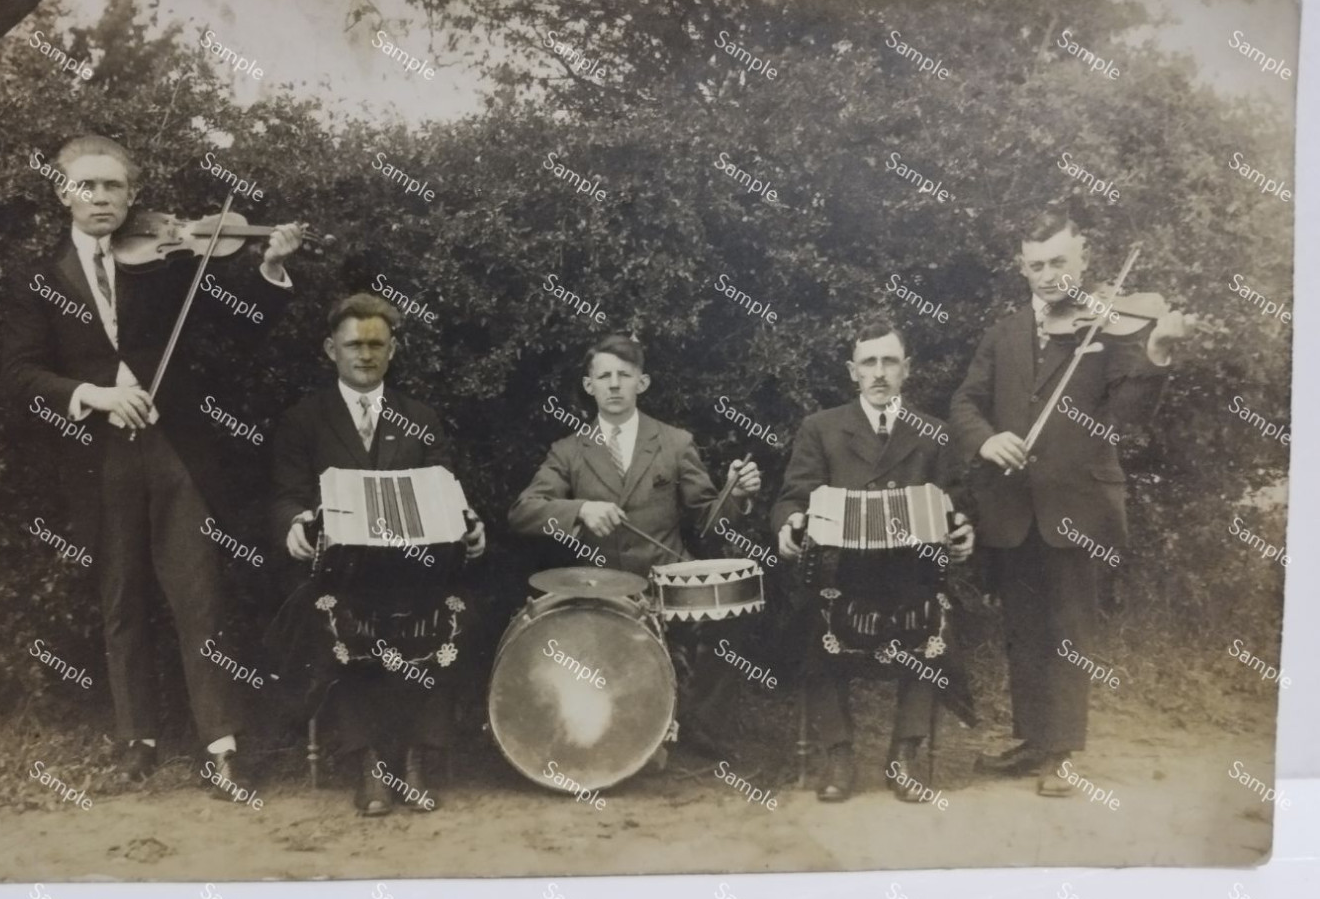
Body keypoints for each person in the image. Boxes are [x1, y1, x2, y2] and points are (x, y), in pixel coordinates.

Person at [1, 134, 303, 796]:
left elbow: (242, 324)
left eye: (113, 186)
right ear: (63, 193)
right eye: (88, 185)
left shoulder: (167, 264)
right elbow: (21, 374)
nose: (101, 196)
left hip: (176, 453)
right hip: (96, 456)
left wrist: (271, 269)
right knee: (120, 600)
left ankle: (221, 745)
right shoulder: (40, 279)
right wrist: (95, 396)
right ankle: (135, 739)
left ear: (133, 195)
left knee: (200, 597)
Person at [948, 209, 1191, 796]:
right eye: (1037, 265)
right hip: (1011, 507)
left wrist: (1156, 354)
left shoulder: (1108, 329)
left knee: (1069, 631)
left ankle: (1062, 753)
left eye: (1060, 261)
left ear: (1081, 257)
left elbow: (1129, 419)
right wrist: (987, 439)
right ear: (1020, 267)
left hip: (1077, 508)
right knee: (1023, 630)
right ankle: (1034, 741)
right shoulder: (1003, 334)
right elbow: (964, 403)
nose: (1050, 275)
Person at [269, 293, 485, 816]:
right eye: (352, 345)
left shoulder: (420, 416)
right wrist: (294, 523)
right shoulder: (305, 419)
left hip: (414, 571)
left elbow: (444, 485)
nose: (364, 355)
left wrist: (470, 524)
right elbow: (284, 494)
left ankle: (415, 759)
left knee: (449, 614)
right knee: (341, 619)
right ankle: (371, 765)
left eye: (375, 344)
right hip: (341, 573)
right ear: (330, 349)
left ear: (392, 350)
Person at [508, 333, 761, 754]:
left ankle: (700, 726)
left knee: (729, 619)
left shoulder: (674, 442)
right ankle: (631, 733)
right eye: (603, 376)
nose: (613, 384)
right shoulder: (569, 451)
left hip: (668, 587)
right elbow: (523, 512)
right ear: (589, 386)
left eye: (623, 375)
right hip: (601, 591)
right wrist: (581, 509)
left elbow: (708, 521)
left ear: (641, 383)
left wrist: (735, 494)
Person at [773, 320, 974, 802]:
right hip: (842, 573)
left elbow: (959, 500)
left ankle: (904, 753)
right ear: (852, 371)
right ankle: (838, 751)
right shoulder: (821, 428)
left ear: (907, 369)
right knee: (815, 616)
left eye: (889, 362)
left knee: (932, 622)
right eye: (869, 362)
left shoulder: (935, 434)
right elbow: (792, 497)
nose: (879, 373)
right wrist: (789, 527)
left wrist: (964, 531)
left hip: (913, 573)